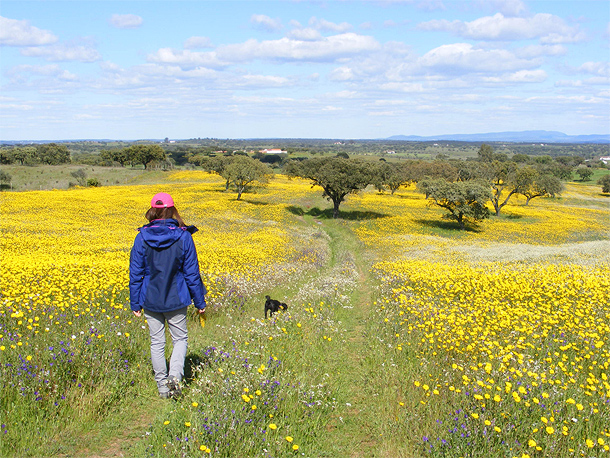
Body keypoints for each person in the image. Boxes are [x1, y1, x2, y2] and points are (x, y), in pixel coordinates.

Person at [129, 192, 207, 399]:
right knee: (180, 339)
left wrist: (135, 302)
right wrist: (200, 301)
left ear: (153, 210)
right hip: (176, 298)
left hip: (150, 299)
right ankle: (174, 376)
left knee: (157, 342)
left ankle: (162, 387)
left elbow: (136, 273)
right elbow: (192, 273)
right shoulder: (184, 236)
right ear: (172, 210)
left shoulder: (141, 237)